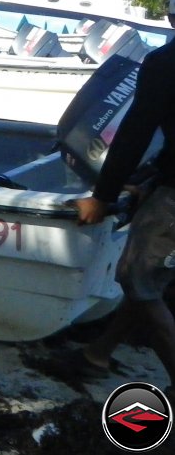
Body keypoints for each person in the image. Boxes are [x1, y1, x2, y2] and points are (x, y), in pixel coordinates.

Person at [72, 36, 175, 386]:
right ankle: (98, 353)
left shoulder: (166, 61)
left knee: (136, 279)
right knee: (150, 276)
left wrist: (102, 195)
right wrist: (153, 177)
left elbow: (135, 131)